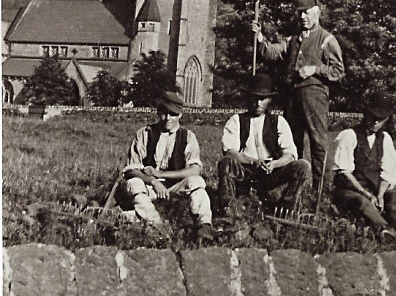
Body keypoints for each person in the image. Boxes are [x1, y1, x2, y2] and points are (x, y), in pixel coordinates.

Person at [251, 0, 345, 196]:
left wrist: (315, 69)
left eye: (307, 13)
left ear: (317, 13)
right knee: (293, 143)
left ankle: (319, 192)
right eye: (299, 13)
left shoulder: (327, 39)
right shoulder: (293, 40)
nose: (302, 17)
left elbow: (338, 71)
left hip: (315, 97)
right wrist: (259, 38)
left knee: (318, 143)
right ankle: (295, 191)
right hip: (292, 98)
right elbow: (271, 52)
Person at [331, 91, 396, 246]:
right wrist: (365, 193)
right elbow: (344, 172)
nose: (375, 122)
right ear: (366, 113)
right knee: (362, 202)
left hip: (374, 190)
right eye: (373, 117)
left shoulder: (384, 139)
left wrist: (381, 195)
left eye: (380, 119)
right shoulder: (349, 135)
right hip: (349, 192)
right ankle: (385, 230)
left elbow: (388, 171)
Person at [122, 91, 213, 241]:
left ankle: (204, 225)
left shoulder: (188, 137)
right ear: (158, 112)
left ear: (180, 115)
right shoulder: (145, 134)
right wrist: (153, 181)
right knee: (134, 183)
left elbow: (195, 169)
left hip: (176, 187)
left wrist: (161, 175)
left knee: (197, 182)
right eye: (164, 113)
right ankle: (157, 225)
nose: (168, 118)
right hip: (149, 187)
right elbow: (131, 168)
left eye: (173, 114)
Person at [217, 73, 311, 213]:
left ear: (269, 99)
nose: (258, 103)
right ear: (248, 98)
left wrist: (275, 164)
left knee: (303, 166)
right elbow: (230, 151)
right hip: (245, 172)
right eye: (254, 98)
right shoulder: (236, 120)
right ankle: (228, 209)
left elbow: (290, 154)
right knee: (226, 162)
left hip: (270, 174)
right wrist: (253, 161)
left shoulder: (278, 122)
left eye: (262, 99)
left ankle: (284, 210)